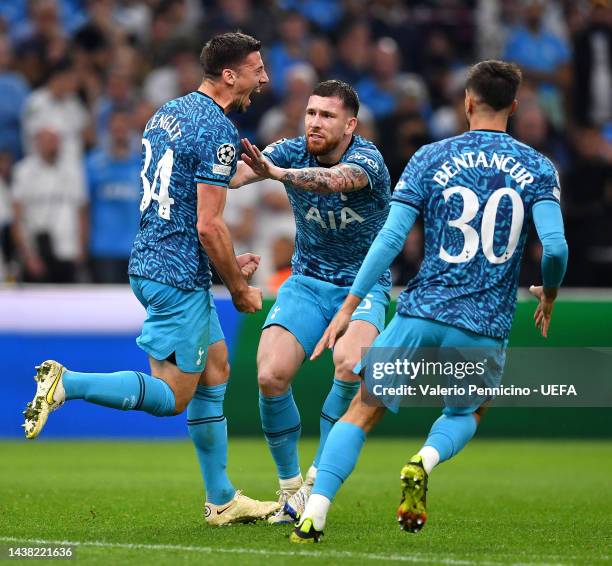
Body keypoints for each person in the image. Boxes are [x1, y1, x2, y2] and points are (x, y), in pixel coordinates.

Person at [290, 60, 569, 543]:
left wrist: (350, 301)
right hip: (482, 321)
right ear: (515, 107)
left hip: (420, 310)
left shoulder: (429, 157)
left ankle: (314, 511)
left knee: (362, 409)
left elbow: (389, 238)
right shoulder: (538, 167)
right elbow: (558, 248)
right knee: (467, 413)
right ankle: (425, 460)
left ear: (467, 102)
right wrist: (550, 290)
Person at [22, 32, 279, 526]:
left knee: (217, 369)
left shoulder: (168, 112)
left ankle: (222, 498)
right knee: (172, 397)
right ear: (231, 75)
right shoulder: (218, 132)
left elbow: (183, 198)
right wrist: (239, 287)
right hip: (177, 276)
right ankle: (67, 383)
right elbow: (208, 224)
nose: (264, 77)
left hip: (155, 260)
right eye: (257, 68)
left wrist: (226, 255)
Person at [233, 79, 392, 523]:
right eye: (311, 113)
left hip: (362, 286)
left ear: (350, 124)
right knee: (269, 375)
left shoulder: (368, 160)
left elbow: (332, 181)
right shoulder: (289, 150)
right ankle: (289, 489)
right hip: (306, 282)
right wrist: (211, 173)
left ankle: (316, 481)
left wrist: (276, 174)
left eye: (326, 116)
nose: (315, 123)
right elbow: (240, 174)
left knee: (348, 363)